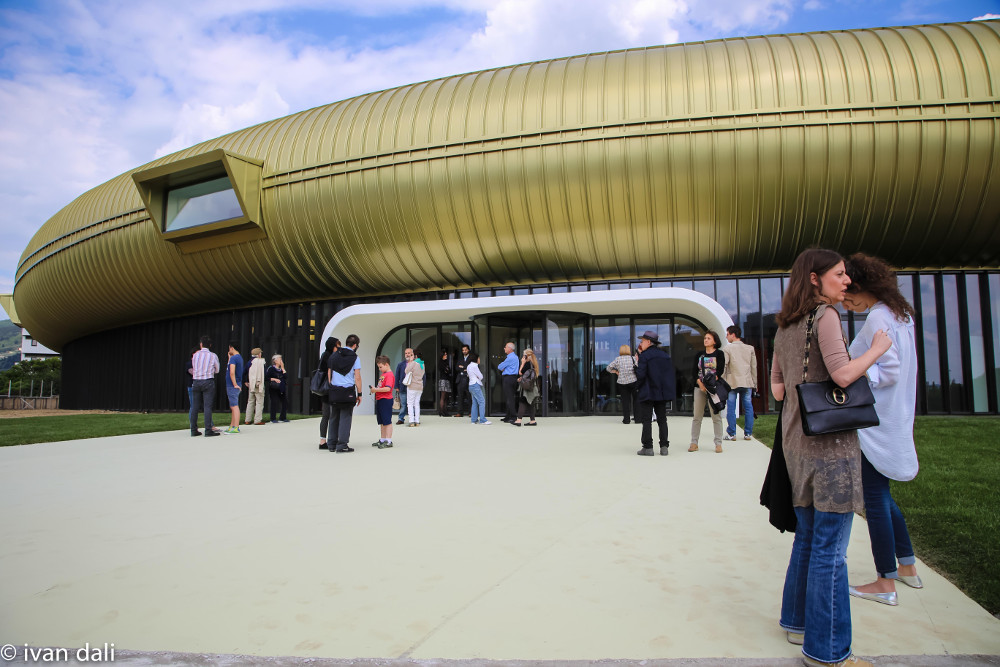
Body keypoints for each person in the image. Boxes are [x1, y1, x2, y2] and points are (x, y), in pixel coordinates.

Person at [771, 248, 890, 667]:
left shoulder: (784, 326)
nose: (847, 282)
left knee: (807, 538)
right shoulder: (825, 317)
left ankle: (795, 621)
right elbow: (842, 375)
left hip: (794, 447)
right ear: (816, 279)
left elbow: (779, 390)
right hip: (830, 448)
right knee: (830, 550)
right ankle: (829, 652)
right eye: (840, 274)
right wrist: (877, 349)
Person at [843, 253, 922, 607]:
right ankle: (906, 567)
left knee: (874, 499)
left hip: (875, 419)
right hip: (896, 415)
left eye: (849, 294)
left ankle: (884, 582)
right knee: (884, 495)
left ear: (863, 287)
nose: (846, 302)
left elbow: (886, 371)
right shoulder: (898, 314)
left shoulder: (877, 317)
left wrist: (854, 371)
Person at [634, 330, 675, 456]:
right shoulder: (665, 356)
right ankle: (664, 447)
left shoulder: (644, 356)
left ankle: (648, 447)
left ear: (648, 342)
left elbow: (640, 375)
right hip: (661, 393)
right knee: (662, 419)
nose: (641, 344)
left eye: (642, 341)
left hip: (647, 391)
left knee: (646, 420)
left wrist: (636, 365)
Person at [689, 331, 726, 453]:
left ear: (714, 341)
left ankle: (718, 443)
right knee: (697, 416)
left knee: (716, 416)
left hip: (713, 389)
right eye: (705, 338)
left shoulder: (719, 354)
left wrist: (709, 385)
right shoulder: (699, 355)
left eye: (709, 338)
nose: (705, 340)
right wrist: (700, 384)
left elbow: (719, 372)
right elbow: (694, 372)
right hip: (699, 388)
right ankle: (694, 443)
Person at [326, 333, 362, 452]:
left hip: (334, 390)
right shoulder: (355, 358)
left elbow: (329, 372)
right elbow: (357, 377)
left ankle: (331, 444)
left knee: (333, 417)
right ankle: (342, 445)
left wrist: (331, 385)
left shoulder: (334, 355)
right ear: (355, 345)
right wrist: (360, 394)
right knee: (345, 418)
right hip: (347, 391)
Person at [722, 325, 757, 441]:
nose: (726, 337)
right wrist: (755, 383)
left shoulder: (727, 348)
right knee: (748, 408)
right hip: (747, 381)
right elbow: (754, 367)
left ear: (733, 334)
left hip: (732, 382)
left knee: (731, 408)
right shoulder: (750, 348)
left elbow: (724, 365)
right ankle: (748, 434)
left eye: (727, 334)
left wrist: (721, 380)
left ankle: (732, 434)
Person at [190, 336, 221, 437]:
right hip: (208, 381)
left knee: (194, 406)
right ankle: (208, 430)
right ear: (210, 345)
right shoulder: (213, 356)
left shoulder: (195, 355)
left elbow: (194, 368)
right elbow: (217, 370)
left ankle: (193, 430)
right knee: (207, 406)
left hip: (196, 381)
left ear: (201, 344)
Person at [606, 344, 639, 424]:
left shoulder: (617, 359)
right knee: (636, 401)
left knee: (625, 401)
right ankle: (638, 419)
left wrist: (616, 371)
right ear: (628, 350)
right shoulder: (633, 358)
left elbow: (608, 368)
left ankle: (626, 420)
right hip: (633, 381)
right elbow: (639, 368)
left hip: (622, 383)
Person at [370, 355, 395, 448]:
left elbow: (388, 389)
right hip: (380, 399)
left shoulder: (389, 375)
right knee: (382, 421)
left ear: (387, 364)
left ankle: (388, 440)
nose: (380, 369)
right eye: (379, 367)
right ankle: (382, 439)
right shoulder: (383, 374)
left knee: (387, 421)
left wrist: (375, 390)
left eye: (381, 367)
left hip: (386, 400)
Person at [318, 337, 338, 448]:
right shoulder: (329, 357)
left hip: (326, 390)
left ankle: (323, 440)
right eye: (336, 345)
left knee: (326, 415)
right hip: (330, 389)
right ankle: (329, 440)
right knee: (330, 415)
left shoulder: (324, 355)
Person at [512, 349, 540, 426]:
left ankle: (518, 420)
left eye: (524, 355)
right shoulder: (534, 363)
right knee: (530, 403)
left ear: (526, 356)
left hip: (527, 388)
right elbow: (527, 376)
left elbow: (520, 372)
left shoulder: (527, 364)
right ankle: (532, 421)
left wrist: (522, 363)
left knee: (522, 402)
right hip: (532, 387)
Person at [223, 341, 244, 433]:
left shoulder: (234, 358)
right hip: (235, 384)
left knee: (234, 406)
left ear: (232, 348)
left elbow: (232, 372)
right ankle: (232, 425)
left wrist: (234, 384)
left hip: (232, 385)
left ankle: (236, 426)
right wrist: (229, 358)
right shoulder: (238, 358)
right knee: (232, 406)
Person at [498, 342, 519, 423]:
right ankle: (508, 416)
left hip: (508, 379)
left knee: (510, 398)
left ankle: (513, 416)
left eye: (505, 347)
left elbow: (500, 366)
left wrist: (504, 368)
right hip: (513, 378)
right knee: (509, 397)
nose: (504, 348)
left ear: (510, 349)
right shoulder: (515, 357)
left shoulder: (510, 358)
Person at [467, 352, 491, 424]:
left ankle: (473, 420)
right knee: (482, 401)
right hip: (476, 385)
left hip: (471, 385)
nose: (479, 359)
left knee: (474, 402)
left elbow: (469, 375)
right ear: (476, 359)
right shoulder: (475, 366)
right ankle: (483, 420)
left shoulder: (469, 366)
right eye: (479, 358)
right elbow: (481, 376)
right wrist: (479, 376)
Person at [403, 347, 425, 427]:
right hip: (420, 386)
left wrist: (411, 361)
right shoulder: (422, 363)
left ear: (414, 355)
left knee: (410, 404)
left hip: (412, 386)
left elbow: (406, 371)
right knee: (417, 404)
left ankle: (411, 421)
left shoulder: (413, 363)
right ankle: (417, 421)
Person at [244, 347, 266, 425]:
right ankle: (257, 420)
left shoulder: (249, 362)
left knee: (250, 402)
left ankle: (247, 419)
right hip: (259, 384)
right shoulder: (261, 362)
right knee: (259, 402)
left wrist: (246, 381)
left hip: (251, 384)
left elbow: (245, 372)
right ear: (258, 354)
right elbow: (264, 373)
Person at [266, 354, 288, 423]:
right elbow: (266, 378)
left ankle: (283, 417)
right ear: (275, 361)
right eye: (279, 359)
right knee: (274, 402)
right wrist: (274, 379)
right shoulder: (271, 369)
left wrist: (283, 368)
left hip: (281, 388)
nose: (281, 360)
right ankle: (273, 418)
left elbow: (285, 377)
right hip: (274, 388)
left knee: (285, 402)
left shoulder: (282, 369)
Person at [453, 344, 472, 417]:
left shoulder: (471, 358)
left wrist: (463, 367)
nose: (464, 351)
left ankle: (470, 412)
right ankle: (460, 412)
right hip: (460, 379)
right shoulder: (460, 358)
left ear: (468, 350)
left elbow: (470, 368)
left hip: (468, 379)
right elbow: (457, 368)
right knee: (460, 397)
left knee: (469, 397)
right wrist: (464, 368)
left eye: (465, 350)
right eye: (463, 350)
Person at [394, 350, 410, 425]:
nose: (407, 355)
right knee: (403, 404)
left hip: (412, 387)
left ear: (412, 354)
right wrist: (396, 386)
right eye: (406, 353)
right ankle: (401, 419)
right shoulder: (401, 364)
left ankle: (413, 419)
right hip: (403, 387)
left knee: (412, 404)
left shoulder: (415, 364)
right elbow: (397, 376)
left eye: (409, 353)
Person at [437, 348, 452, 417]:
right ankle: (442, 411)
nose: (446, 355)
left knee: (446, 397)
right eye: (445, 354)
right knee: (443, 396)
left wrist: (447, 370)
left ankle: (444, 411)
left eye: (446, 354)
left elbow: (449, 371)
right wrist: (447, 370)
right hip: (443, 380)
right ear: (442, 355)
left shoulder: (446, 362)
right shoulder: (441, 362)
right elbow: (446, 370)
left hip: (446, 380)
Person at [184, 346, 198, 410]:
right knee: (193, 405)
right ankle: (192, 419)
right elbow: (193, 373)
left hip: (200, 385)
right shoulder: (189, 363)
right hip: (192, 386)